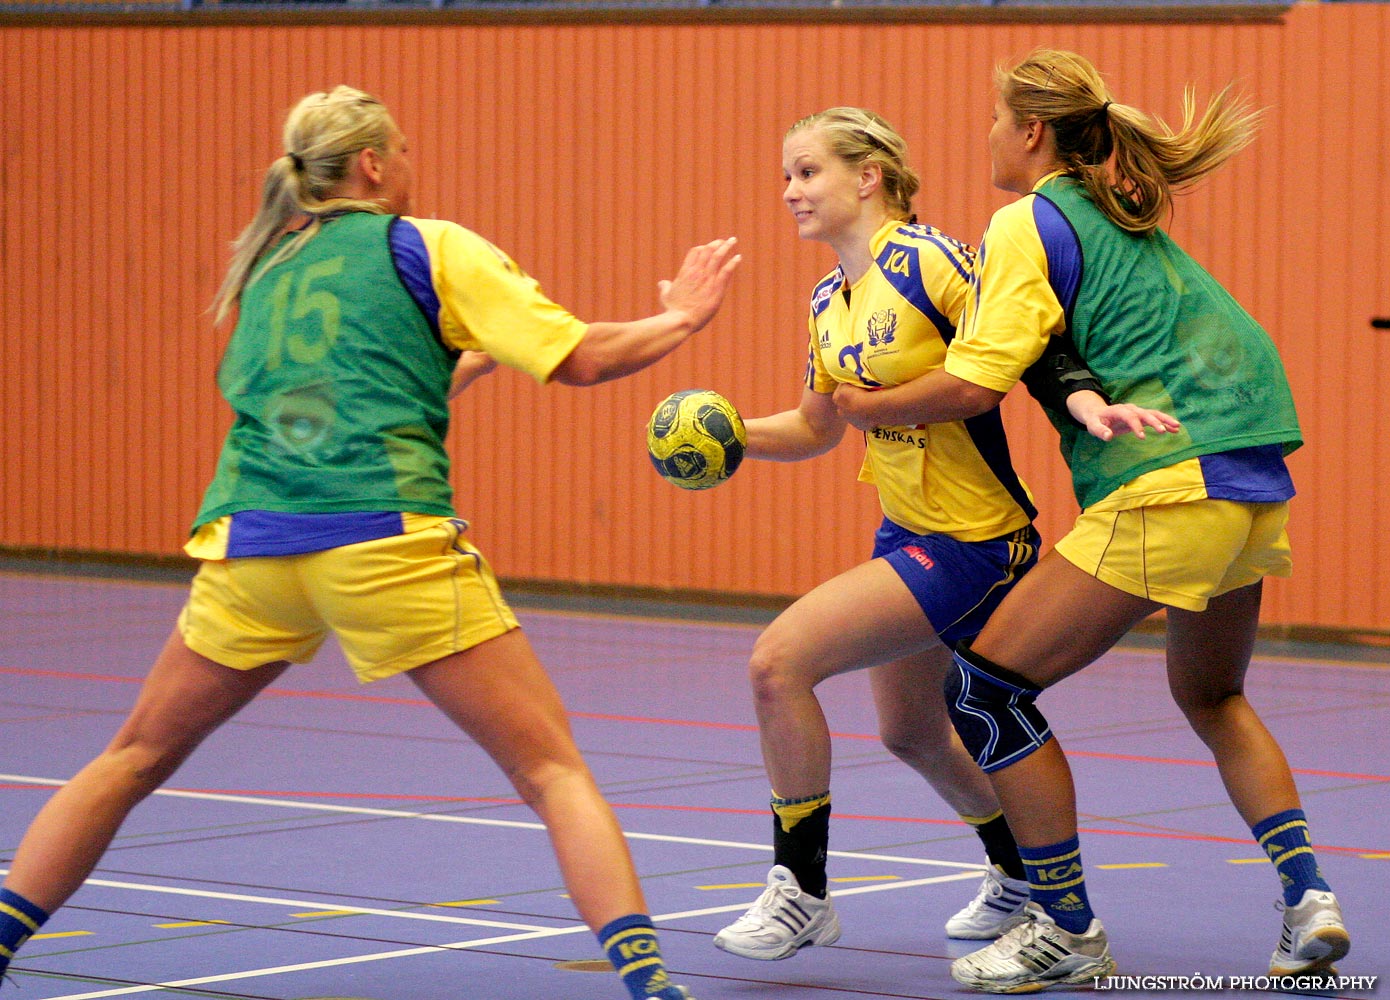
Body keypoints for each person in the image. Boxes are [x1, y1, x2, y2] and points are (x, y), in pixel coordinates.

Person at [0, 85, 740, 1000]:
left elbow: (320, 411)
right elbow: (584, 357)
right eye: (403, 148)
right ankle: (651, 984)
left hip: (252, 547)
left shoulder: (268, 268)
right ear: (375, 164)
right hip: (384, 544)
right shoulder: (427, 244)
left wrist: (452, 366)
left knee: (131, 758)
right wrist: (683, 318)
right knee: (552, 770)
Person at [832, 50, 1351, 991]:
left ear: (1031, 132)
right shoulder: (1114, 210)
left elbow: (972, 380)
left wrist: (857, 403)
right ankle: (1309, 899)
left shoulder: (1027, 218)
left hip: (1169, 476)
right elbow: (1053, 357)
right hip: (1253, 468)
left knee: (984, 691)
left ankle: (1066, 929)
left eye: (996, 119)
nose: (988, 135)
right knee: (1214, 695)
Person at [710, 107, 1168, 963]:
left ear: (868, 177)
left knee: (778, 664)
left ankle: (800, 891)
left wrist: (1081, 397)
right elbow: (817, 426)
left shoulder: (934, 262)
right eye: (786, 176)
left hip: (977, 541)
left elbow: (1027, 344)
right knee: (911, 732)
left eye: (806, 172)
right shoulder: (828, 300)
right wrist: (725, 430)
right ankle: (1018, 875)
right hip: (910, 532)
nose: (790, 192)